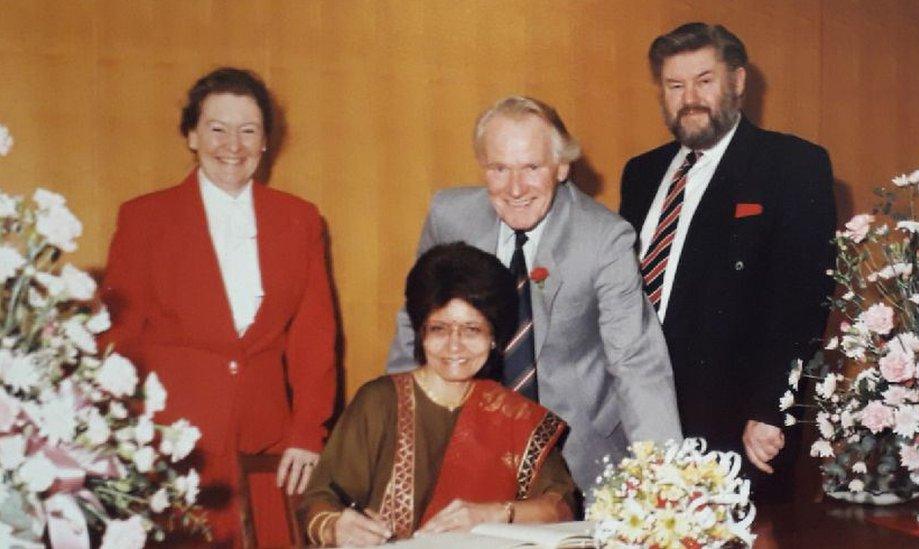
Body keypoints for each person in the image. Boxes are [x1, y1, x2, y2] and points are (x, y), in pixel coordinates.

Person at [387, 96, 682, 494]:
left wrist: (668, 482)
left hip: (578, 454)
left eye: (531, 167)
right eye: (499, 168)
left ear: (562, 167)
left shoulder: (604, 238)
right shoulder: (449, 216)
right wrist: (400, 440)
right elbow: (416, 327)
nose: (515, 189)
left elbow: (636, 363)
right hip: (468, 449)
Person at [101, 67, 337, 546]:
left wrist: (307, 433)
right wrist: (124, 442)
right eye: (217, 128)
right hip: (174, 452)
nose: (234, 144)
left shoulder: (300, 219)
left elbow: (315, 337)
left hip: (269, 453)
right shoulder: (144, 219)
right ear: (191, 135)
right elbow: (118, 340)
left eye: (249, 130)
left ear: (266, 141)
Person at [618, 23, 836, 500]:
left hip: (738, 423)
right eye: (675, 86)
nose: (689, 97)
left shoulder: (792, 165)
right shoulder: (641, 173)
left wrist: (771, 408)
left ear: (737, 82)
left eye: (704, 80)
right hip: (638, 411)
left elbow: (803, 300)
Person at [301, 243, 576, 547]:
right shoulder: (379, 402)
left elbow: (561, 507)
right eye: (439, 329)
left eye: (472, 330)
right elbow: (319, 501)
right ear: (421, 333)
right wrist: (336, 527)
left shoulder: (516, 416)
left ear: (494, 337)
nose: (454, 346)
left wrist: (496, 514)